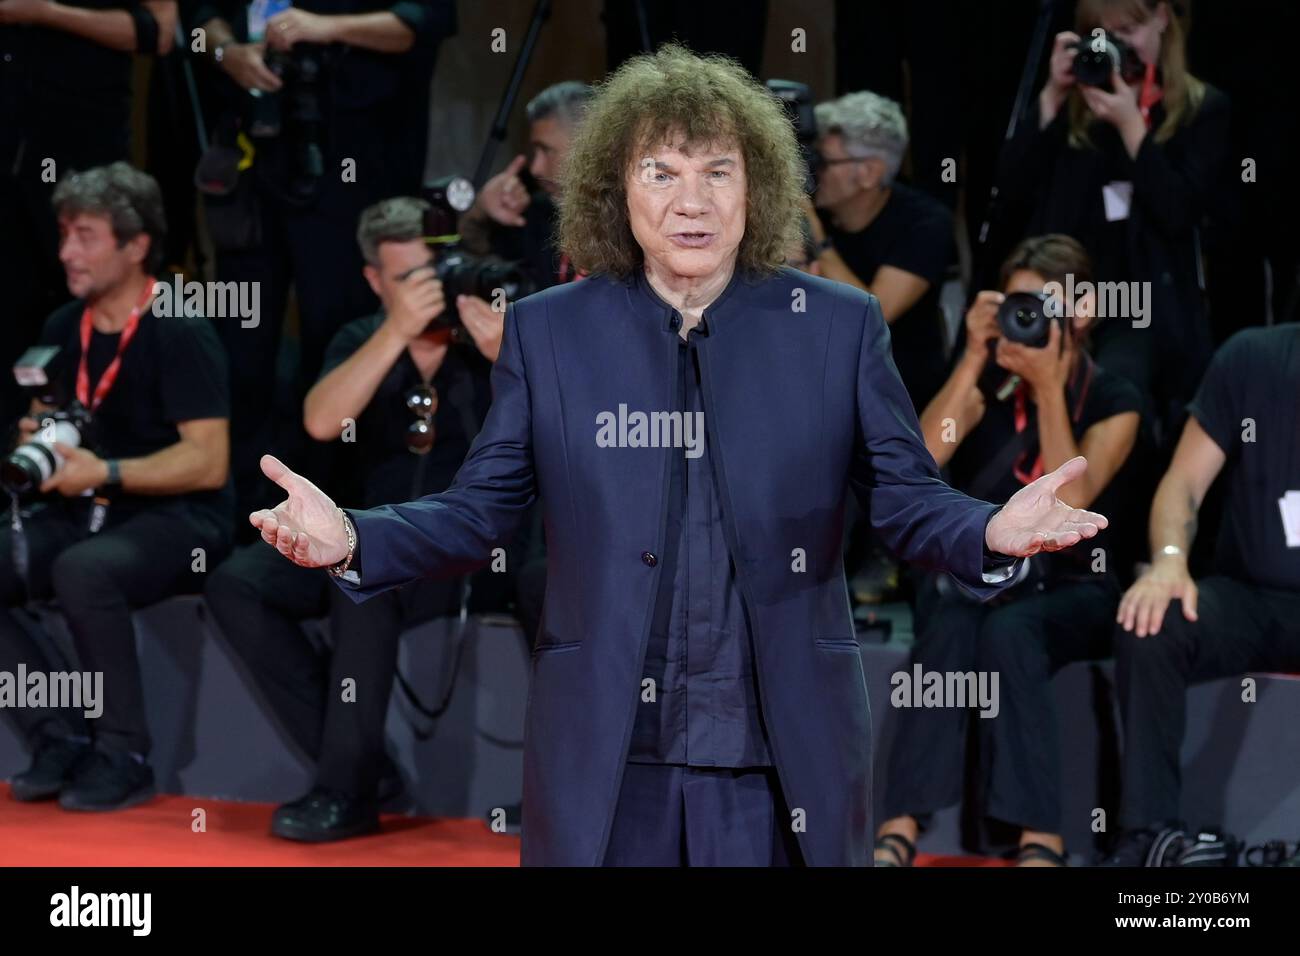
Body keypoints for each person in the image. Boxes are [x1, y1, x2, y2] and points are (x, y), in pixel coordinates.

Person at [248, 44, 1108, 867]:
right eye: (661, 172)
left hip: (779, 746)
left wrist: (992, 531)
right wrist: (355, 539)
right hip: (611, 745)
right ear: (616, 191)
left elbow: (906, 496)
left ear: (758, 186)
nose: (690, 201)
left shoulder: (837, 326)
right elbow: (480, 510)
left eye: (717, 172)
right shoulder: (551, 332)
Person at [206, 197, 498, 841]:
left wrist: (505, 349)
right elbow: (320, 420)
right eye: (407, 281)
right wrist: (395, 330)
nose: (429, 293)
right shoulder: (360, 337)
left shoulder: (490, 341)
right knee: (238, 583)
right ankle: (367, 768)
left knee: (361, 576)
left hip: (463, 545)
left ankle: (347, 791)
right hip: (364, 528)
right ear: (374, 282)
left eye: (437, 272)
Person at [875, 235, 1143, 867]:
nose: (1030, 321)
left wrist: (1050, 386)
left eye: (1045, 306)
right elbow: (914, 467)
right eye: (1020, 304)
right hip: (979, 576)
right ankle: (900, 824)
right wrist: (970, 361)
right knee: (950, 619)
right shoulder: (983, 385)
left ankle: (1039, 837)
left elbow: (1071, 502)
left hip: (1072, 585)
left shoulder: (1114, 399)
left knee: (1012, 632)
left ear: (1083, 313)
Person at [0, 163, 233, 811]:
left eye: (86, 236)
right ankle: (56, 736)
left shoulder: (181, 326)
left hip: (181, 516)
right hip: (84, 506)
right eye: (65, 234)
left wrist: (101, 472)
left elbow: (208, 461)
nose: (66, 252)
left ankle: (123, 751)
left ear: (135, 246)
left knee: (84, 570)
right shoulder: (61, 329)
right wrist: (40, 437)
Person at [188, 0, 457, 537]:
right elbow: (200, 15)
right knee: (242, 353)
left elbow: (425, 21)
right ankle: (242, 522)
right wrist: (228, 52)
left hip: (350, 160)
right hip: (256, 159)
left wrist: (326, 27)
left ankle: (335, 524)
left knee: (334, 343)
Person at [1101, 322, 1300, 865]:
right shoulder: (1253, 356)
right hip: (1250, 598)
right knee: (1152, 620)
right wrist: (1168, 561)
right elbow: (1183, 483)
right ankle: (1146, 833)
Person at [1001, 0, 1230, 431]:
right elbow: (1010, 195)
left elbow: (1178, 211)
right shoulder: (1073, 104)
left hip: (1149, 302)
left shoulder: (1201, 109)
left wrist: (1132, 129)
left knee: (1126, 401)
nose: (1116, 46)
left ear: (1163, 18)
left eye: (1128, 30)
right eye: (1101, 34)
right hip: (1068, 293)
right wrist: (1052, 94)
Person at [0, 0, 177, 426]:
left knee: (82, 299)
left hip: (81, 146)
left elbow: (160, 32)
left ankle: (103, 452)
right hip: (9, 146)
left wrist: (43, 12)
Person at [805, 90, 954, 413]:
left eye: (825, 161)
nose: (813, 170)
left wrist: (817, 240)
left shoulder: (925, 223)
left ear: (869, 173)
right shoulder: (820, 212)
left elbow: (873, 314)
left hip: (897, 396)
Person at [459, 81, 594, 290]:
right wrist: (481, 209)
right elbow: (469, 250)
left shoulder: (639, 226)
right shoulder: (538, 215)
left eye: (546, 150)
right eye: (535, 152)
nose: (535, 169)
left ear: (590, 147)